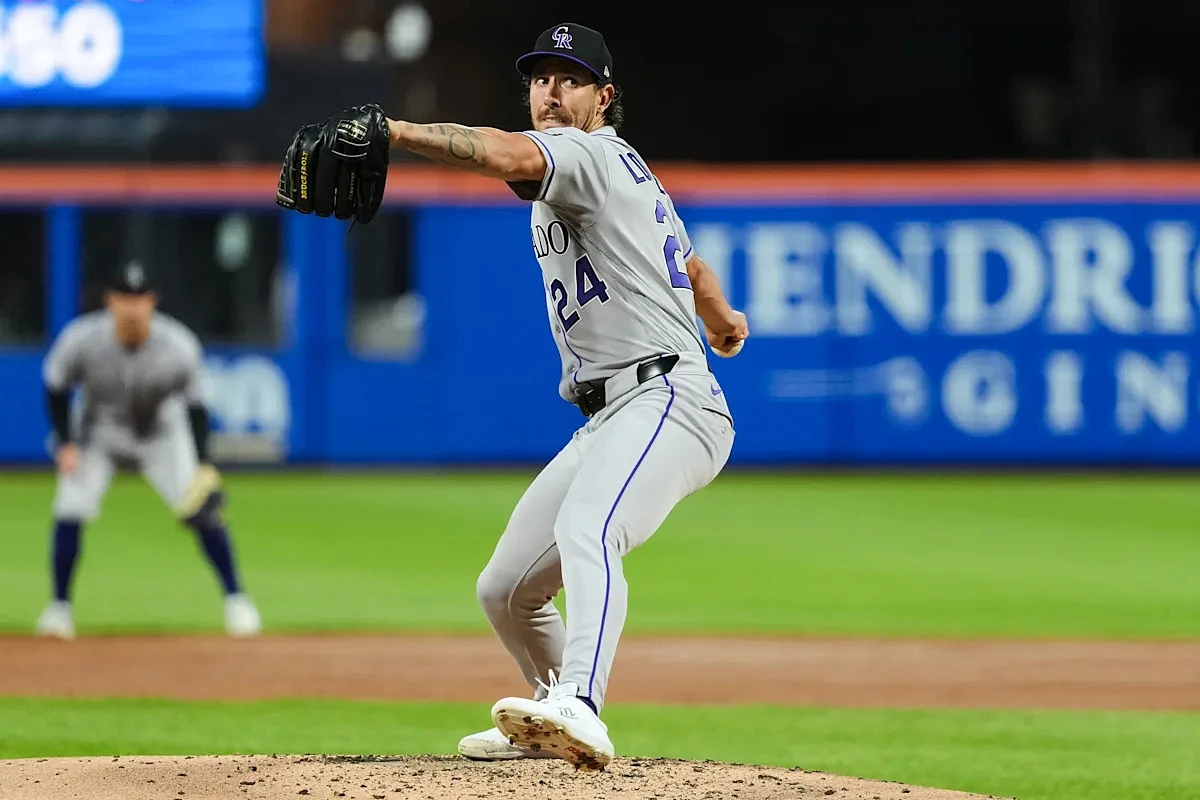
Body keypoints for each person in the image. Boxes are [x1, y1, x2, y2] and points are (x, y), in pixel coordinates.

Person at [277, 21, 747, 770]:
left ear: (603, 98)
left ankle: (582, 703)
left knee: (590, 525)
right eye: (540, 78)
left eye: (570, 79)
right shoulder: (621, 168)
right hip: (617, 410)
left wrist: (394, 130)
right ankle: (549, 721)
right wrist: (719, 315)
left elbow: (505, 153)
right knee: (505, 590)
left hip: (667, 397)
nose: (551, 92)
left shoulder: (587, 154)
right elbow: (689, 264)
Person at [35, 261, 261, 640]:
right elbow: (55, 385)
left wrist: (204, 463)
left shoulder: (179, 344)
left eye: (139, 298)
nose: (132, 307)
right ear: (109, 301)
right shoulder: (82, 338)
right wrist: (66, 441)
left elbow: (196, 407)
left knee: (201, 509)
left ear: (152, 302)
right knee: (70, 507)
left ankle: (237, 600)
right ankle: (59, 608)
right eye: (124, 298)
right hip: (99, 431)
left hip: (161, 432)